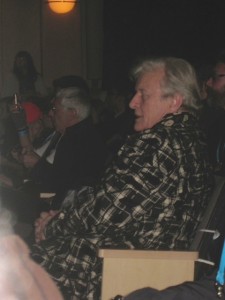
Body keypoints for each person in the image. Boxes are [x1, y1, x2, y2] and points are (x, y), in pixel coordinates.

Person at [30, 57, 213, 299]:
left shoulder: (160, 142)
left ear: (174, 101)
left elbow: (105, 211)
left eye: (143, 95)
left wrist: (52, 226)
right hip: (147, 260)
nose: (132, 103)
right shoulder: (190, 138)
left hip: (128, 266)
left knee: (20, 268)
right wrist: (59, 219)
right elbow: (112, 205)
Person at [23, 86, 108, 208]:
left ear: (72, 113)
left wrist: (37, 163)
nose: (51, 113)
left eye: (55, 109)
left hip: (66, 204)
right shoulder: (75, 134)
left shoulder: (81, 140)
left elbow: (64, 183)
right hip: (59, 197)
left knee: (19, 197)